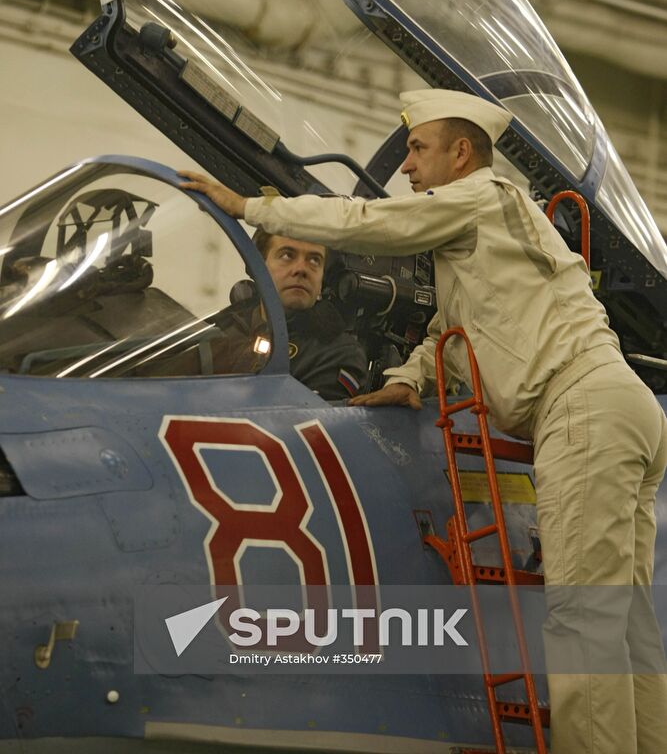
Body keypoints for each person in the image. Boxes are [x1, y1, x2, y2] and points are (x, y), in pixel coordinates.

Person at [180, 88, 667, 754]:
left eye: (417, 148)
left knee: (583, 621)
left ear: (459, 152)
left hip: (580, 410)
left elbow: (368, 222)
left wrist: (250, 207)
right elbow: (454, 330)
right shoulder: (492, 230)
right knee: (625, 624)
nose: (406, 167)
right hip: (620, 408)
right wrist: (409, 380)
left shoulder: (479, 197)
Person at [209, 228, 368, 401]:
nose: (301, 269)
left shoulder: (338, 353)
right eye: (287, 255)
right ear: (257, 267)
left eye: (314, 260)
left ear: (323, 279)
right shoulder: (221, 329)